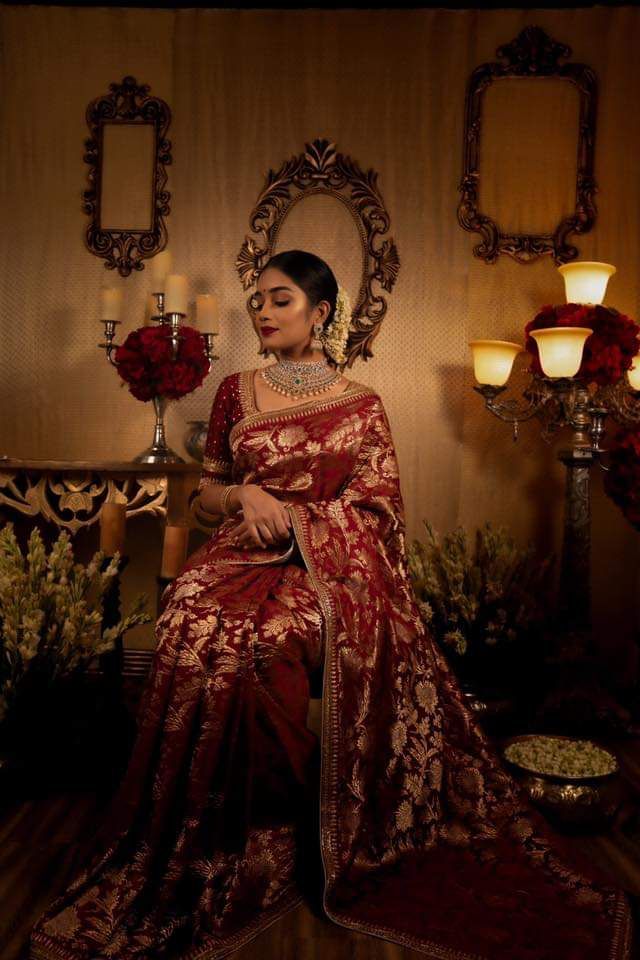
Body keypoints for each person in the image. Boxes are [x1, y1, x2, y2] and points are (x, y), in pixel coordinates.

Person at [30, 250, 633, 960]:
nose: (261, 310)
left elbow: (379, 515)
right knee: (192, 620)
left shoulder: (363, 404)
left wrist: (300, 523)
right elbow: (202, 498)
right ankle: (210, 826)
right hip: (235, 557)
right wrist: (243, 497)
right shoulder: (235, 390)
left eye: (279, 300)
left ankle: (277, 826)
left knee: (268, 642)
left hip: (326, 576)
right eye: (256, 300)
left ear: (320, 313)